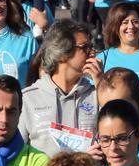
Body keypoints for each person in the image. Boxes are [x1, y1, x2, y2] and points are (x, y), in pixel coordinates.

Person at [19, 20, 100, 157]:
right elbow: (18, 152)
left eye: (91, 47)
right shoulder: (28, 98)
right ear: (62, 54)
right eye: (84, 47)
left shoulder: (97, 94)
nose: (92, 53)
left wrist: (101, 87)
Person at [98, 2, 139, 92]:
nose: (130, 26)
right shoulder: (103, 58)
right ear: (115, 27)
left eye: (135, 22)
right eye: (125, 22)